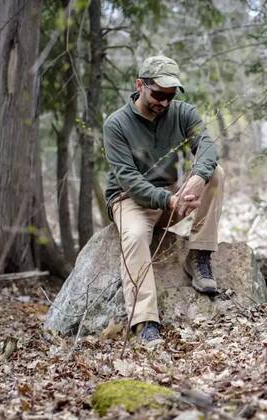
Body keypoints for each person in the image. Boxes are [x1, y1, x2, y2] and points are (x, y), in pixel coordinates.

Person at [103, 55, 225, 347]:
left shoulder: (183, 113)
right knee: (133, 236)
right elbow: (128, 179)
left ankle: (199, 256)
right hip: (131, 199)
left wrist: (197, 176)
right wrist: (167, 200)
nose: (164, 102)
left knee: (216, 173)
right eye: (158, 94)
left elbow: (207, 145)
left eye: (170, 96)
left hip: (173, 196)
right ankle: (145, 321)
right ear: (139, 85)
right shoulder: (116, 124)